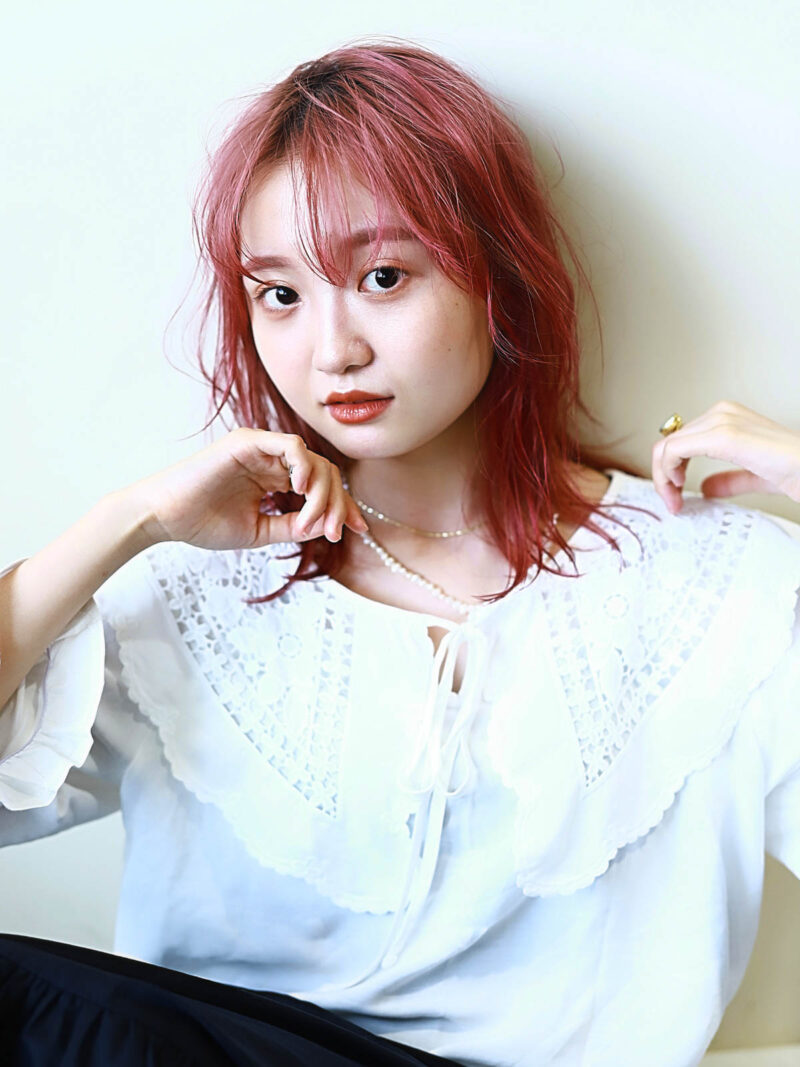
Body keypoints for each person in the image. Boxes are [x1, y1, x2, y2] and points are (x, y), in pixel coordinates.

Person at [1, 39, 799, 1067]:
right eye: (279, 294)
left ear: (498, 276)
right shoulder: (193, 584)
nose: (331, 350)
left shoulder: (718, 584)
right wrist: (131, 521)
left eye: (382, 276)